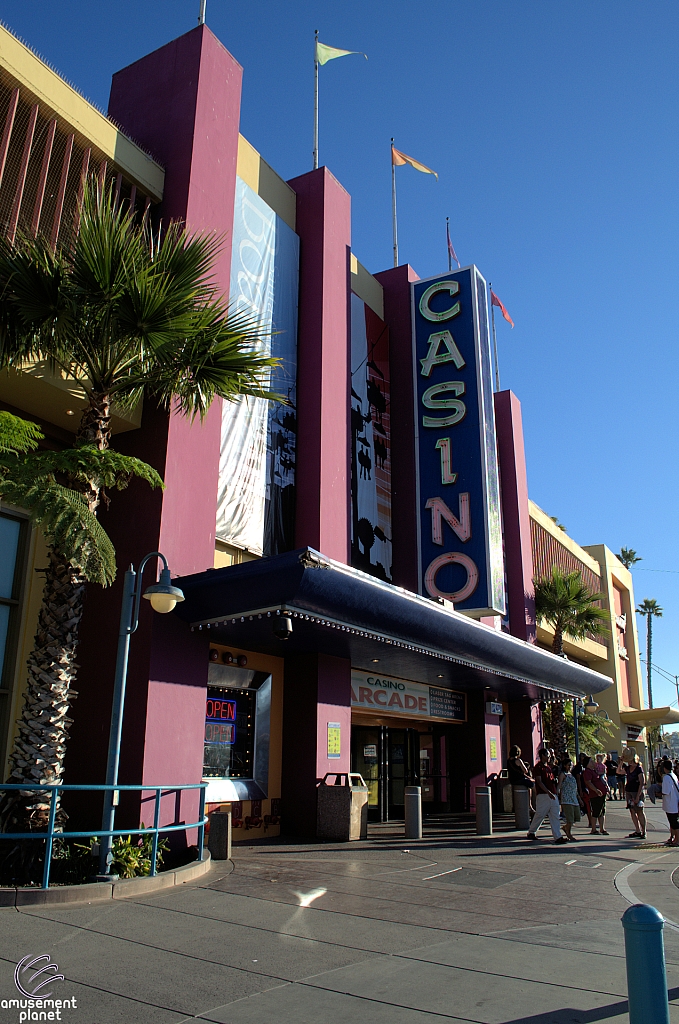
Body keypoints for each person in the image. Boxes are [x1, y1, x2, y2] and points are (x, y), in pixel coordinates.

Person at [526, 748, 568, 843]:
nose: (549, 757)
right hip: (543, 795)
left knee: (555, 815)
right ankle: (531, 832)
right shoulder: (538, 768)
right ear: (542, 756)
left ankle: (558, 836)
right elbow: (539, 782)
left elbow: (551, 780)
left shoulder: (548, 767)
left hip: (552, 794)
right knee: (540, 814)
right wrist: (548, 792)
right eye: (547, 755)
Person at [623, 748, 646, 839]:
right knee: (632, 811)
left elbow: (642, 782)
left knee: (640, 811)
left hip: (637, 791)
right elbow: (618, 771)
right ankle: (637, 830)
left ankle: (643, 831)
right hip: (629, 791)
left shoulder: (639, 768)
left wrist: (638, 796)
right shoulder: (627, 768)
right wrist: (621, 762)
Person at [583, 755, 609, 835]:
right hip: (595, 794)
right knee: (596, 811)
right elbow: (588, 782)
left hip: (602, 793)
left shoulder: (594, 770)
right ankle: (593, 829)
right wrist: (596, 790)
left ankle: (602, 828)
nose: (593, 762)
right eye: (591, 761)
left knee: (602, 811)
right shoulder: (587, 771)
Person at [557, 758, 581, 841]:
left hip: (574, 798)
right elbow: (559, 785)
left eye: (571, 765)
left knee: (576, 817)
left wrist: (579, 799)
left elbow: (575, 788)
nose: (570, 767)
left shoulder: (571, 775)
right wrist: (557, 795)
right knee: (570, 818)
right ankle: (569, 833)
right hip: (566, 799)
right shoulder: (563, 774)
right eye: (568, 765)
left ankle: (565, 827)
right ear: (564, 765)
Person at [507, 744, 535, 812]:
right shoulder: (518, 760)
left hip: (512, 780)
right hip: (520, 779)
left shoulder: (508, 761)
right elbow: (525, 770)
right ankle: (530, 804)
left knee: (529, 784)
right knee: (532, 785)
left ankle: (527, 805)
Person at [660, 760, 679, 846]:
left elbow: (665, 791)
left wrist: (657, 792)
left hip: (670, 803)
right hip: (675, 802)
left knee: (674, 823)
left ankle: (677, 839)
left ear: (664, 768)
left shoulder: (666, 778)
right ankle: (673, 837)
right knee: (673, 822)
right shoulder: (673, 775)